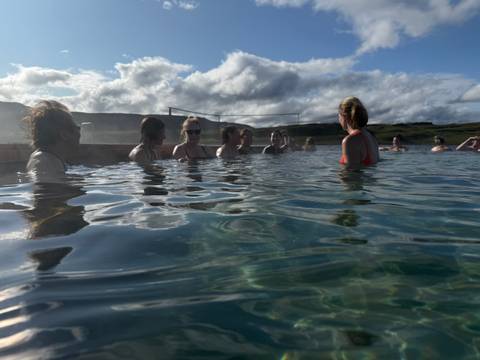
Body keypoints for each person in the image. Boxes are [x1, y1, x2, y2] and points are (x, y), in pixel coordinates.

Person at [24, 100, 80, 179]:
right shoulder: (46, 163)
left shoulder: (44, 158)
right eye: (77, 128)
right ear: (64, 135)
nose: (79, 132)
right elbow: (49, 189)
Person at [338, 96, 379, 167]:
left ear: (344, 117)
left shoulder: (349, 141)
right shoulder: (372, 136)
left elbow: (350, 176)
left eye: (338, 116)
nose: (338, 120)